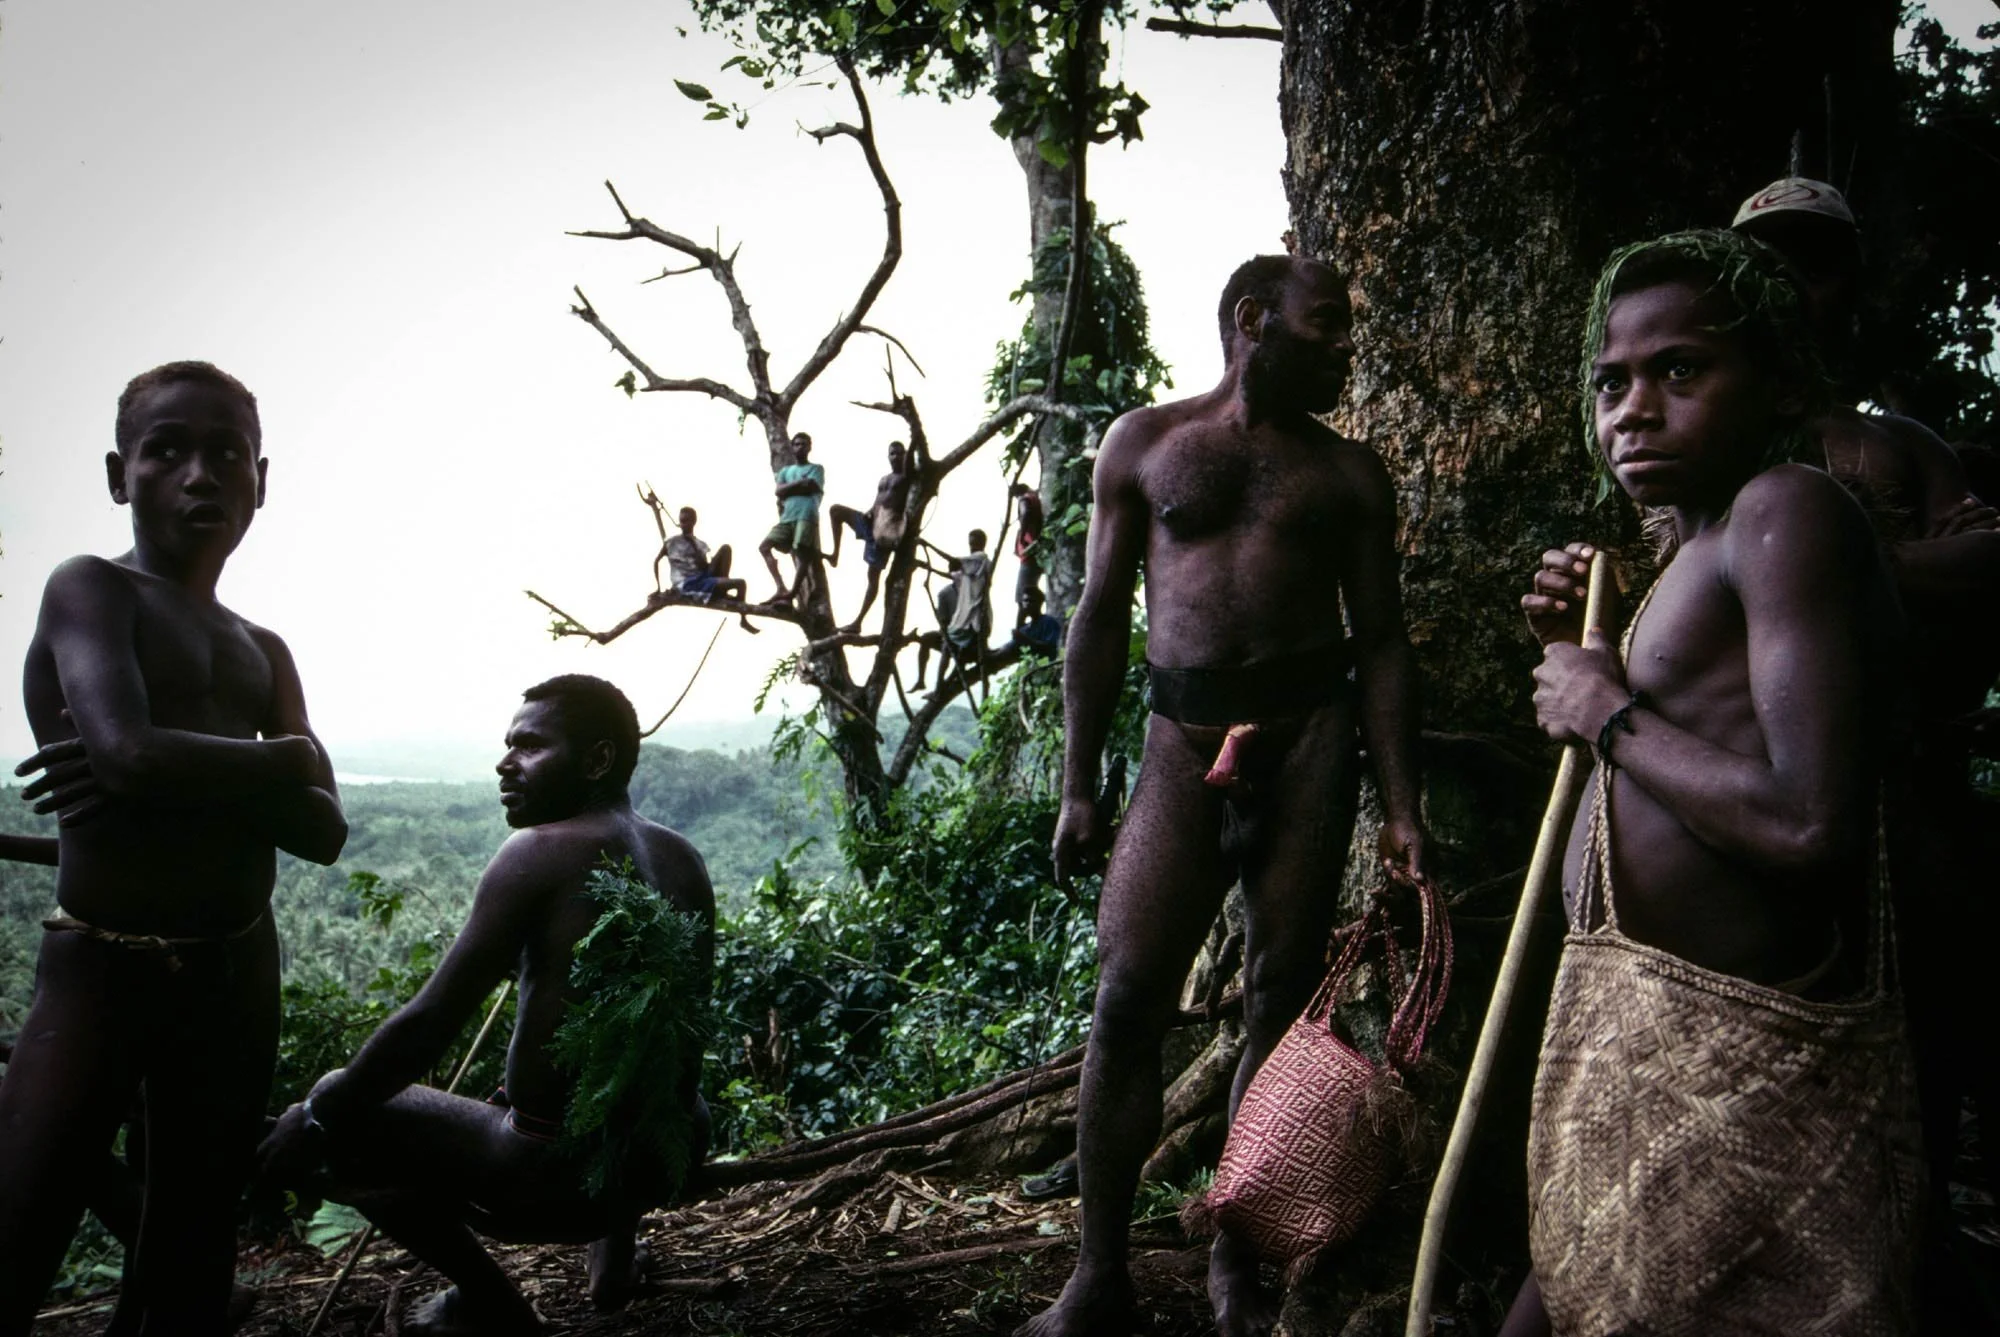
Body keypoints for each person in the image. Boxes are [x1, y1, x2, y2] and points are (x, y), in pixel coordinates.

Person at [1507, 230, 1920, 1336]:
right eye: (1611, 382)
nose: (1632, 407)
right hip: (1637, 1042)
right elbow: (1670, 751)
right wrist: (1584, 656)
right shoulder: (1687, 551)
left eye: (1678, 370)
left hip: (1739, 1063)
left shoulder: (1783, 509)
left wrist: (1607, 712)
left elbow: (1807, 822)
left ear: (1776, 380)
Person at [1019, 255, 1427, 1337]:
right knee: (1124, 998)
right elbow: (1099, 620)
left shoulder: (1348, 476)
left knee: (1277, 997)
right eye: (1326, 324)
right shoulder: (1144, 446)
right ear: (1253, 321)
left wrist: (1398, 805)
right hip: (1174, 738)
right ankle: (1095, 1272)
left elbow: (1379, 642)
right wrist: (1075, 784)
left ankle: (1233, 1265)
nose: (1346, 346)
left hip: (1306, 740)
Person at [0, 360, 348, 1334]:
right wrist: (275, 763)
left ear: (259, 480)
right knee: (19, 1225)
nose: (199, 474)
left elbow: (323, 831)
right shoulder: (89, 589)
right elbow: (125, 751)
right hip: (100, 963)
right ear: (121, 476)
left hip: (236, 967)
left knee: (192, 1242)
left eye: (224, 453)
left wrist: (185, 768)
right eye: (167, 451)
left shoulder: (263, 647)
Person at [258, 674, 715, 1336]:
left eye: (530, 745)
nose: (505, 763)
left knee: (343, 1098)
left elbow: (427, 1025)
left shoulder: (537, 851)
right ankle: (613, 1257)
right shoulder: (683, 857)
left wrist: (317, 1116)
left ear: (596, 760)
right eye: (507, 745)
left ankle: (492, 1306)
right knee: (626, 1073)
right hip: (666, 1157)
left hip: (555, 1177)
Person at [1735, 178, 2000, 1313]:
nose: (1794, 283)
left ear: (1848, 283)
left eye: (1816, 260)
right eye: (1769, 261)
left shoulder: (1902, 445)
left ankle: (1915, 1235)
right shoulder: (1717, 440)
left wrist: (1855, 562)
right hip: (1751, 783)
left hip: (1908, 777)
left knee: (1933, 1007)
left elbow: (1989, 560)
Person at [827, 439, 919, 634]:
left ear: (905, 455)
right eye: (892, 453)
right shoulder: (884, 479)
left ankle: (858, 622)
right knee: (836, 511)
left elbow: (911, 464)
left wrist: (915, 437)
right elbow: (879, 502)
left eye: (899, 453)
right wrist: (869, 511)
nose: (896, 457)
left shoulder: (906, 476)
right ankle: (835, 554)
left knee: (872, 578)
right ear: (888, 456)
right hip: (872, 521)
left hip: (885, 531)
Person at [912, 530, 994, 691]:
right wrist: (927, 567)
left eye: (974, 544)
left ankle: (939, 688)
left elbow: (954, 561)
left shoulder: (980, 559)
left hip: (975, 621)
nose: (971, 547)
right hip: (967, 623)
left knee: (948, 643)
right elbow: (952, 573)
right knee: (946, 642)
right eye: (970, 544)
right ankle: (931, 684)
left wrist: (927, 545)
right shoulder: (967, 576)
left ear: (982, 544)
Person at [657, 506, 759, 634]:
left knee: (726, 549)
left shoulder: (698, 543)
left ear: (693, 522)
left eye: (686, 521)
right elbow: (661, 547)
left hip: (703, 577)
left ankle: (733, 605)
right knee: (740, 583)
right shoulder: (674, 542)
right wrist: (656, 509)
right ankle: (742, 616)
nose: (682, 524)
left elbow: (704, 566)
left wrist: (699, 554)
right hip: (690, 584)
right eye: (681, 521)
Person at [758, 432, 824, 605]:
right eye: (797, 444)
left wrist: (790, 489)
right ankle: (781, 587)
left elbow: (812, 485)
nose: (800, 447)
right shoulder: (786, 471)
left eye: (804, 444)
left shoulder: (816, 468)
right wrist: (798, 484)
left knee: (802, 552)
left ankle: (793, 592)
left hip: (806, 514)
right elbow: (779, 491)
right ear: (792, 447)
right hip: (788, 517)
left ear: (809, 447)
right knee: (765, 546)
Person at [1010, 482, 1045, 627]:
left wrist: (1023, 538)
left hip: (1029, 555)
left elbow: (1026, 513)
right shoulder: (1035, 498)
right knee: (1030, 595)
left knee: (1022, 598)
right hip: (1035, 554)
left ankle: (1019, 634)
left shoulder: (1025, 499)